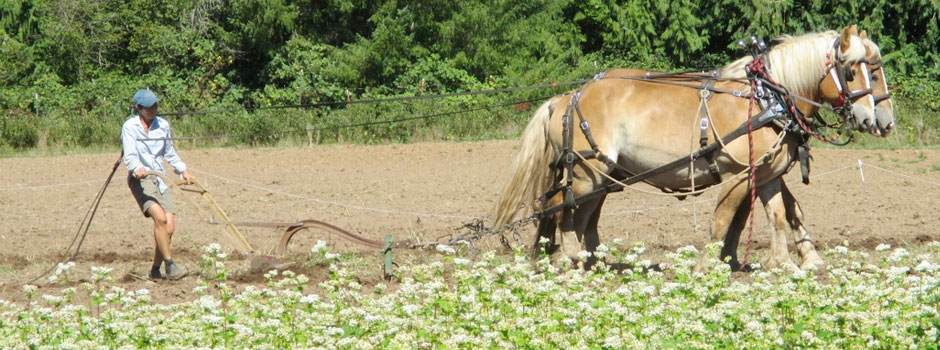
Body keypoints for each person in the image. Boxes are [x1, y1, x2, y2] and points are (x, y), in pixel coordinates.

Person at [122, 88, 194, 280]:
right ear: (137, 108)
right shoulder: (130, 127)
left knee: (169, 228)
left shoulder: (163, 125)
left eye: (154, 105)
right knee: (160, 220)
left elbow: (169, 152)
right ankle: (171, 265)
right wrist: (136, 168)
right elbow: (129, 155)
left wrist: (182, 171)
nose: (152, 109)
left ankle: (155, 270)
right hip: (142, 179)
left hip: (161, 178)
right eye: (147, 107)